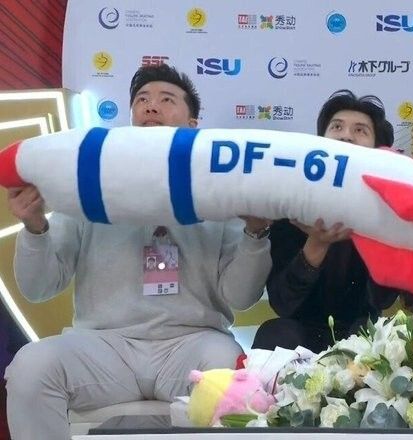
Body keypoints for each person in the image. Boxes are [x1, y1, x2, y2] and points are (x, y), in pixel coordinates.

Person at [4, 64, 272, 440]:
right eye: (142, 100)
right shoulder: (87, 185)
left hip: (191, 342)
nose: (151, 106)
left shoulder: (220, 191)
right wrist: (35, 227)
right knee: (31, 366)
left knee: (230, 371)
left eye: (167, 99)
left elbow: (240, 297)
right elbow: (38, 288)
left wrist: (255, 233)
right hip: (103, 346)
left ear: (193, 124)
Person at [251, 90, 401, 353]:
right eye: (337, 127)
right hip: (299, 333)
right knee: (274, 333)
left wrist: (374, 236)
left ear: (377, 150)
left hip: (360, 331)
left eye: (360, 130)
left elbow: (384, 300)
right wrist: (316, 244)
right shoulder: (292, 204)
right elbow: (282, 303)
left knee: (381, 336)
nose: (346, 136)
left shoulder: (386, 210)